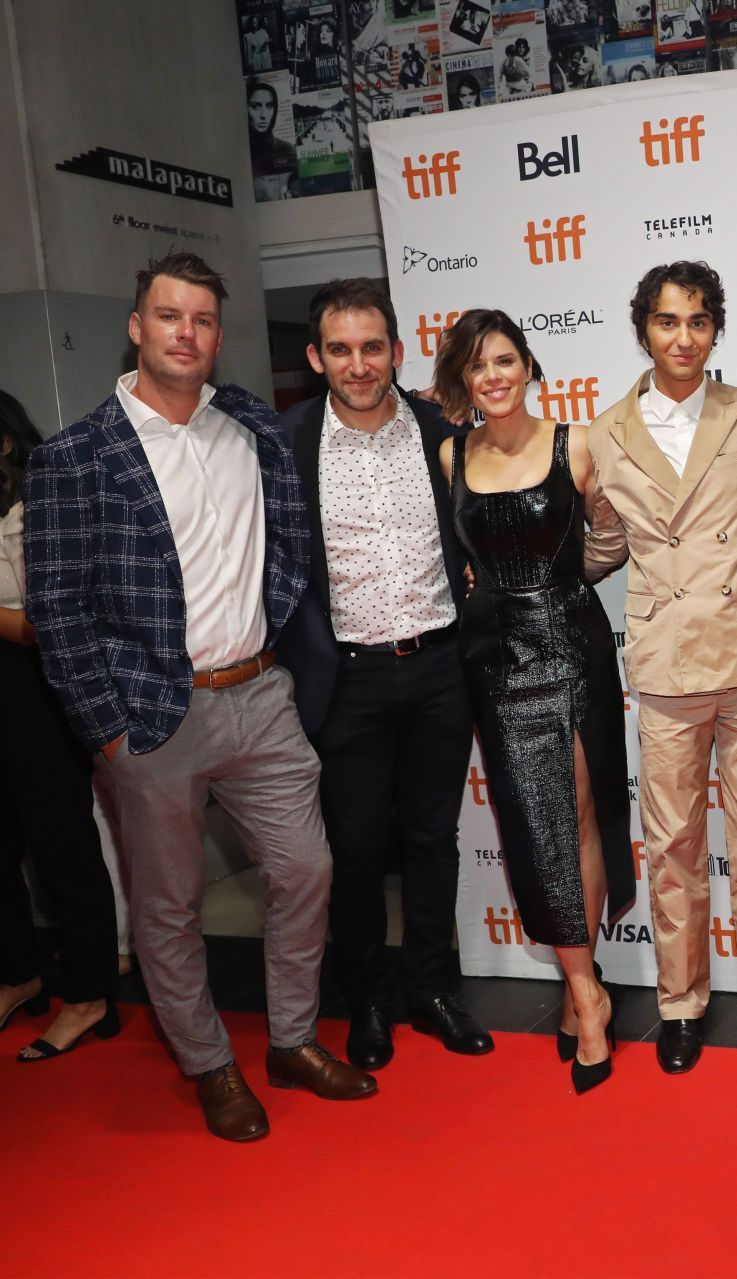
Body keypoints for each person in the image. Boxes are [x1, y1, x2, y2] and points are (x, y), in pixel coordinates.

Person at [25, 253, 376, 1141]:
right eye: (169, 316)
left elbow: (290, 544)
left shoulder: (254, 426)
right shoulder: (75, 456)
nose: (187, 333)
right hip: (150, 716)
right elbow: (56, 607)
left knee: (307, 868)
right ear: (138, 327)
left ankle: (292, 1039)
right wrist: (107, 729)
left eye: (203, 320)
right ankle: (210, 1062)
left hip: (259, 694)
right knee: (168, 906)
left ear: (220, 336)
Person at [585, 262, 737, 1074]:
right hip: (666, 663)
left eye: (699, 321)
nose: (684, 336)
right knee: (672, 842)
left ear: (716, 329)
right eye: (669, 321)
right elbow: (604, 546)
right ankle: (679, 1002)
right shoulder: (603, 435)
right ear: (644, 328)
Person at [278, 279, 493, 1071]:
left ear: (397, 352)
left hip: (439, 665)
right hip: (347, 680)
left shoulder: (444, 429)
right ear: (315, 356)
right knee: (357, 850)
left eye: (373, 347)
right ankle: (367, 998)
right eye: (340, 348)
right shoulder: (289, 440)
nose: (359, 363)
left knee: (436, 839)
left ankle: (434, 989)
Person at [433, 310, 632, 1095]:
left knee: (575, 816)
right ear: (464, 381)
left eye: (506, 360)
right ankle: (586, 985)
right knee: (535, 827)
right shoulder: (453, 452)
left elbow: (608, 544)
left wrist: (592, 544)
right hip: (496, 659)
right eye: (478, 366)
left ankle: (584, 992)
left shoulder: (574, 443)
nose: (495, 377)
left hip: (571, 645)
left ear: (528, 364)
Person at [0, 390, 120, 1061]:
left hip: (34, 690)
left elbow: (48, 622)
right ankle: (18, 974)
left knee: (61, 849)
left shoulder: (40, 504)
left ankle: (90, 994)